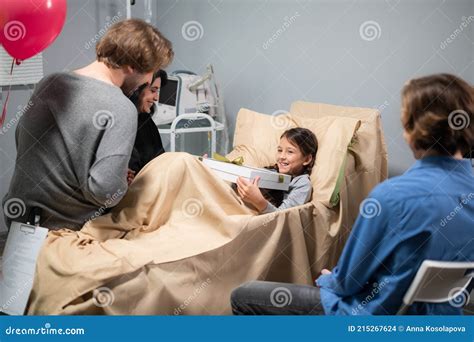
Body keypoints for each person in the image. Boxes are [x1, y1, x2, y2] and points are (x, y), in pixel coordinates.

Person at [231, 73, 474, 315]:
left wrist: (329, 279)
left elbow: (348, 283)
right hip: (442, 319)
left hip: (368, 318)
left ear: (411, 132)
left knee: (243, 295)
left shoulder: (391, 197)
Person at [2, 19, 173, 230]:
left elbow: (24, 141)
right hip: (64, 230)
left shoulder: (50, 83)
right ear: (132, 66)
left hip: (19, 219)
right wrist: (121, 182)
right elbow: (106, 193)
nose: (147, 82)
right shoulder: (120, 107)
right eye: (150, 72)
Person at [236, 127, 317, 214]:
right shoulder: (272, 173)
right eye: (279, 150)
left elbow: (281, 217)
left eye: (290, 152)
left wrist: (258, 201)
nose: (282, 156)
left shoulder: (302, 184)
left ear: (307, 159)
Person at [127, 70, 168, 184]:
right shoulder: (124, 122)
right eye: (153, 90)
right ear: (137, 89)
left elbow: (160, 157)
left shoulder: (145, 120)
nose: (156, 98)